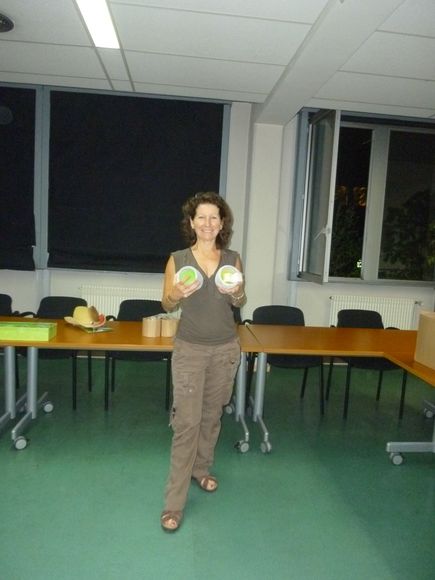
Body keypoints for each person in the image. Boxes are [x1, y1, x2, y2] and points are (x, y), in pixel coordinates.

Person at [160, 191, 246, 532]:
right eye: (201, 217)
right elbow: (167, 304)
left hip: (225, 350)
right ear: (192, 223)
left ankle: (201, 469)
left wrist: (236, 293)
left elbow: (240, 299)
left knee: (211, 417)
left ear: (222, 223)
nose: (208, 223)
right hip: (190, 351)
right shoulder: (178, 259)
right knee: (187, 423)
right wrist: (175, 294)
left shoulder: (233, 259)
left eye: (214, 217)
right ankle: (174, 503)